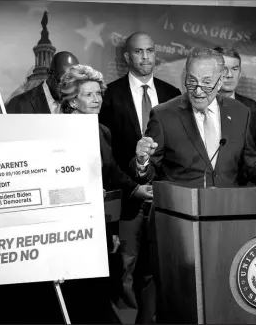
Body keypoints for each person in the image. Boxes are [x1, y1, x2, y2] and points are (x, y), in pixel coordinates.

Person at [134, 48, 256, 190]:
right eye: (191, 81)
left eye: (206, 82)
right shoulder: (164, 114)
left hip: (226, 214)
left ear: (219, 82)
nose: (197, 90)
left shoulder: (240, 112)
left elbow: (252, 165)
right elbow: (148, 174)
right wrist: (142, 161)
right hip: (179, 217)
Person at [58, 63, 154, 324]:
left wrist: (135, 189)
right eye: (88, 95)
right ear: (73, 101)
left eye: (98, 93)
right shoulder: (58, 132)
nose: (96, 99)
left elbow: (112, 174)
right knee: (74, 292)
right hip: (67, 224)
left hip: (100, 221)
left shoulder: (102, 131)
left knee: (99, 289)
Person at [98, 31, 181, 323]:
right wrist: (133, 187)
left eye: (150, 50)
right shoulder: (109, 95)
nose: (145, 57)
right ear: (127, 57)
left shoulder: (172, 94)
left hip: (164, 198)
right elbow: (106, 155)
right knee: (125, 269)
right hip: (127, 199)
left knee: (156, 268)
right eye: (138, 52)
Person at [213, 46, 256, 161]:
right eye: (224, 69)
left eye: (234, 69)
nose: (229, 75)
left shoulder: (253, 108)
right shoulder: (201, 104)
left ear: (240, 73)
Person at [5, 51, 79, 114]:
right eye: (64, 83)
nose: (69, 90)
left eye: (74, 83)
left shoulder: (81, 103)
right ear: (49, 73)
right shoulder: (19, 104)